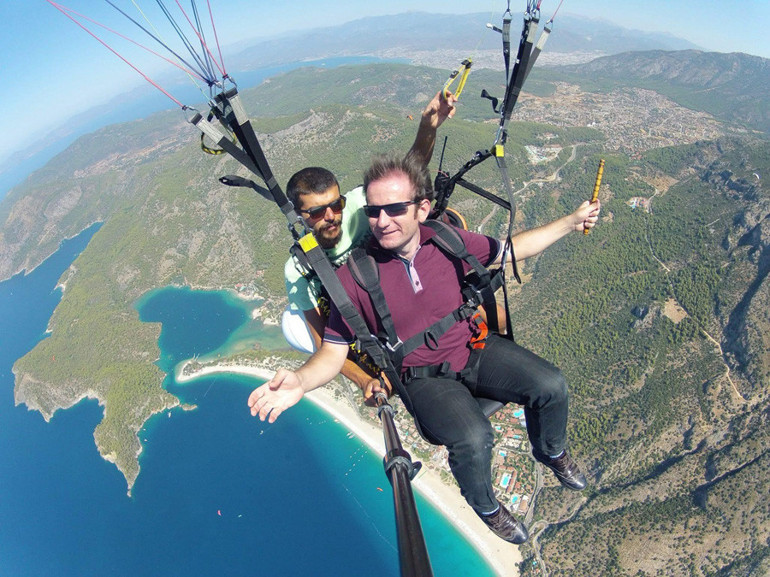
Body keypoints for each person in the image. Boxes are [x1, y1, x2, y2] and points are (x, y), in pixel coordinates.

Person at [250, 153, 600, 544]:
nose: (382, 221)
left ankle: (550, 452)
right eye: (374, 211)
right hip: (424, 378)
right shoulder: (354, 278)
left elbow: (509, 250)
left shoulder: (447, 240)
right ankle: (486, 506)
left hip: (473, 349)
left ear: (422, 208)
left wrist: (570, 222)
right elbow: (333, 350)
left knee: (551, 385)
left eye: (395, 209)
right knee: (474, 437)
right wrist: (300, 380)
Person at [281, 90, 456, 396]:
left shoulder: (362, 206)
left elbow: (410, 169)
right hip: (357, 315)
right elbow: (323, 342)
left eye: (336, 204)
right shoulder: (299, 268)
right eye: (317, 212)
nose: (332, 216)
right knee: (293, 327)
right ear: (300, 215)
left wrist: (428, 126)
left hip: (396, 290)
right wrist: (364, 380)